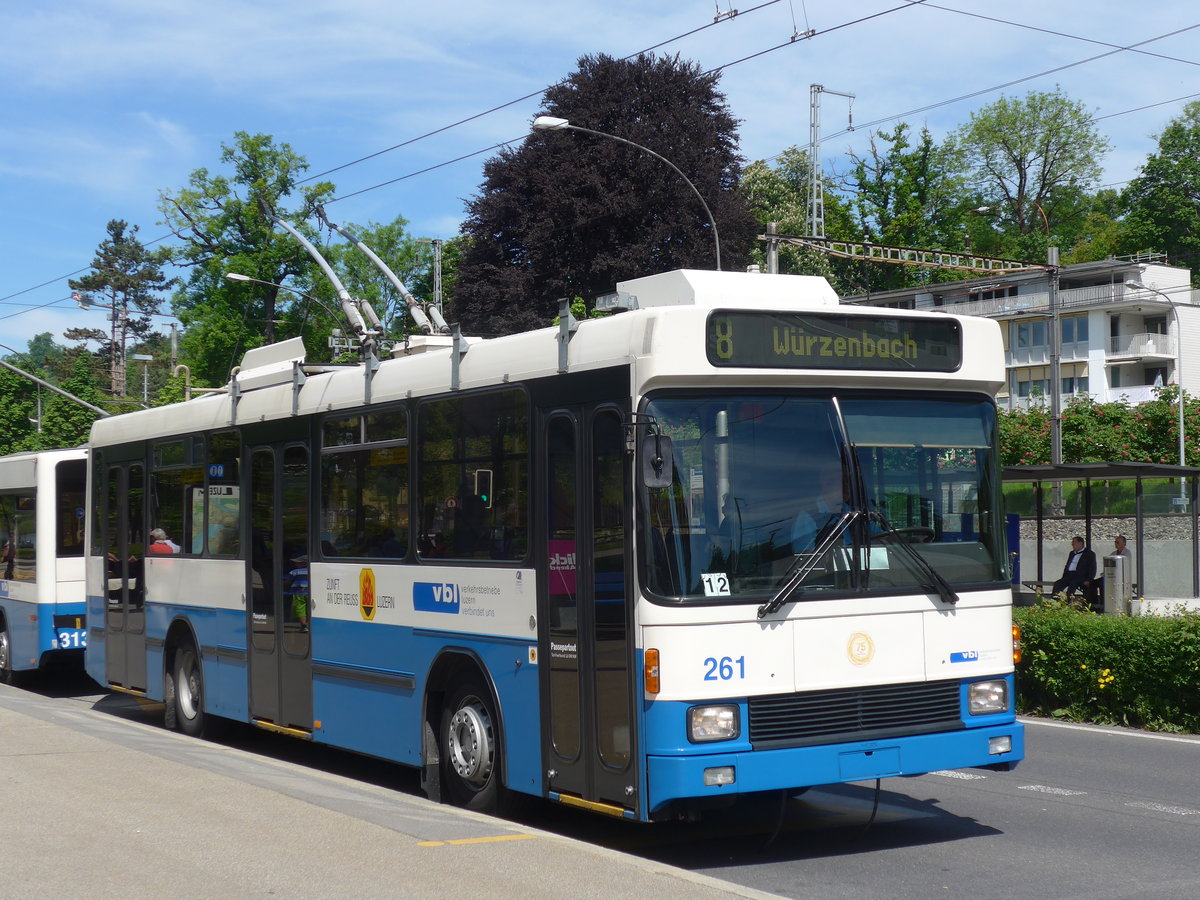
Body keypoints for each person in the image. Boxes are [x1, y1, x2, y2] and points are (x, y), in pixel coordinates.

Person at [1051, 535, 1096, 600]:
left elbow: (1092, 567)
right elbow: (1067, 565)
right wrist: (1064, 576)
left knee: (1072, 585)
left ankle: (1067, 603)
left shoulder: (1089, 554)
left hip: (1080, 576)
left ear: (1080, 543)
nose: (1072, 544)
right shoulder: (1072, 553)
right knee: (1057, 584)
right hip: (1069, 575)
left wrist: (1089, 579)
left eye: (1074, 542)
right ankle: (1055, 602)